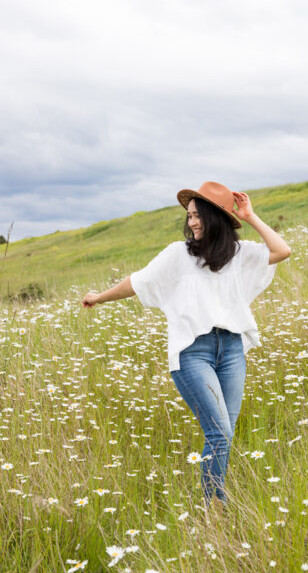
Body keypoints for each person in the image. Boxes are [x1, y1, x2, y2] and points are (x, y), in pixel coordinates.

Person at [82, 181, 291, 518]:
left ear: (216, 218)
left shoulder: (239, 255)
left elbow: (282, 251)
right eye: (190, 216)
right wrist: (99, 297)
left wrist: (250, 216)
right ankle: (214, 512)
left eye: (198, 216)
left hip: (232, 350)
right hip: (193, 353)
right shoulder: (178, 255)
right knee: (219, 433)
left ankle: (213, 503)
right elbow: (137, 283)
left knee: (225, 433)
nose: (192, 222)